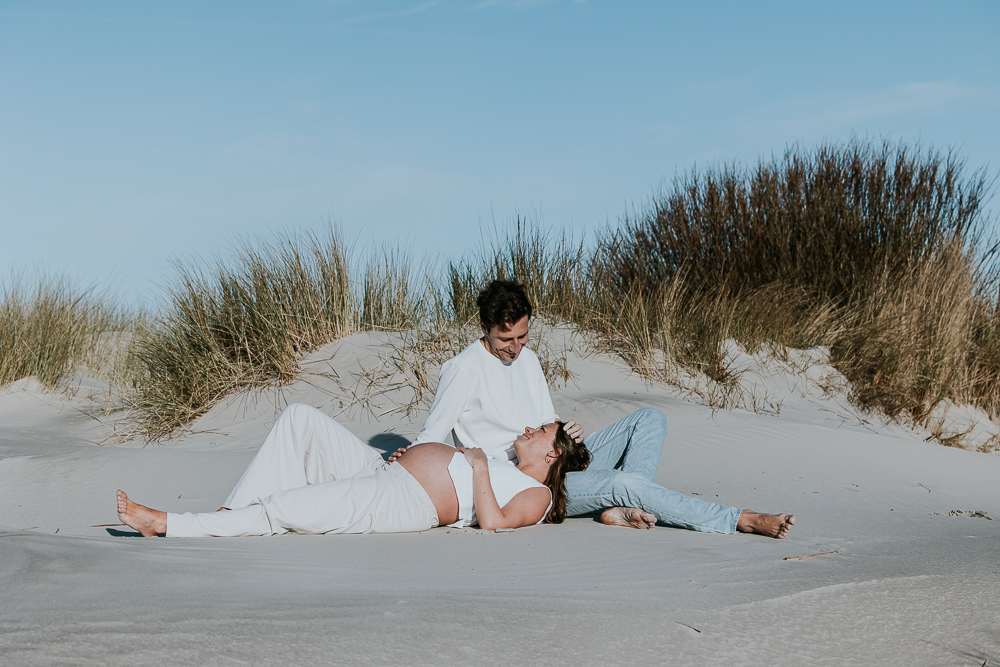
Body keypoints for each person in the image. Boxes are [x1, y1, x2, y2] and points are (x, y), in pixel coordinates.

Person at [390, 280, 795, 539]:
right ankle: (737, 518)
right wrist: (405, 459)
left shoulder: (527, 360)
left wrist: (567, 431)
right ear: (485, 328)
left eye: (523, 335)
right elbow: (433, 435)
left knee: (650, 418)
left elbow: (548, 420)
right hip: (526, 484)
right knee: (625, 482)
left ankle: (625, 507)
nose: (516, 347)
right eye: (506, 338)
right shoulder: (462, 370)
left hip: (557, 456)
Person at [116, 403, 590, 538]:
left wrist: (480, 465)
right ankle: (227, 516)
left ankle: (168, 524)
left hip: (405, 502)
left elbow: (496, 523)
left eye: (542, 429)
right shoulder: (507, 458)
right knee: (300, 420)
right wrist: (412, 455)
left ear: (552, 456)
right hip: (384, 473)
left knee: (287, 508)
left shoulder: (539, 496)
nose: (530, 427)